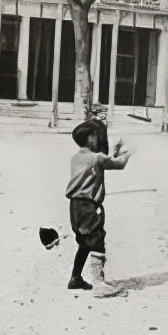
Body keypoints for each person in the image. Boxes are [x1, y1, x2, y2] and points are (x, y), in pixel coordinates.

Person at [65, 119, 133, 296]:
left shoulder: (76, 157)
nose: (99, 139)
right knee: (97, 240)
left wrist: (115, 152)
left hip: (74, 206)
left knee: (84, 242)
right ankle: (99, 284)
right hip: (88, 206)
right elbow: (119, 164)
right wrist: (128, 152)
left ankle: (75, 278)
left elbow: (105, 161)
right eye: (96, 136)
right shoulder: (97, 157)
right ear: (90, 138)